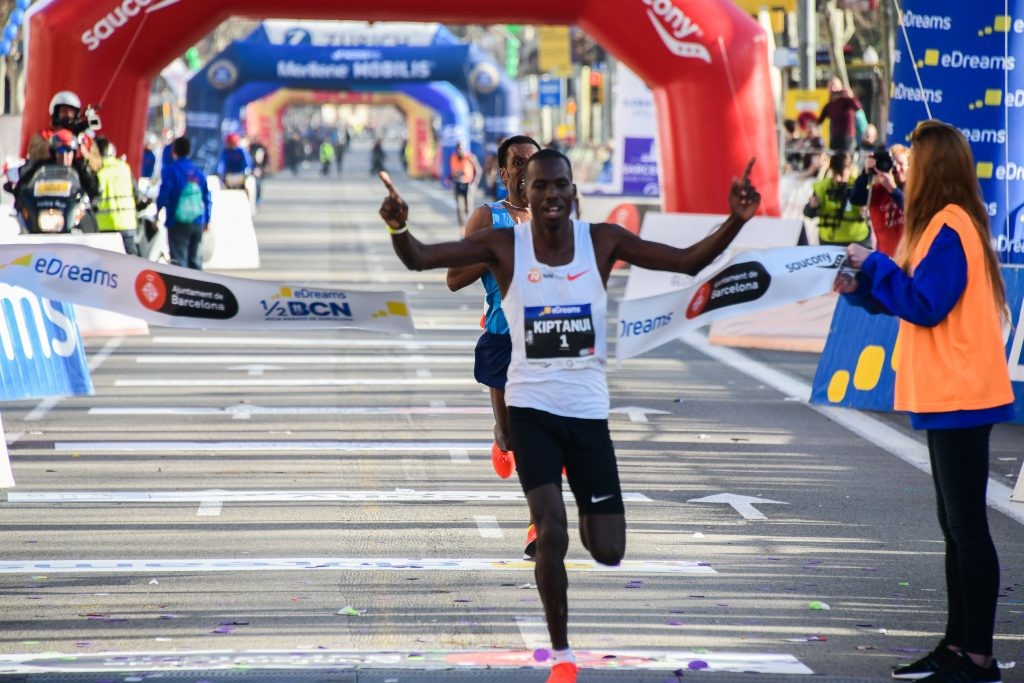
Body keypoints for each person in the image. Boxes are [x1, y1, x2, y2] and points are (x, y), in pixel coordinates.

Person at [379, 150, 760, 683]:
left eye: (560, 185)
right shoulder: (504, 244)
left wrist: (736, 220)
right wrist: (399, 228)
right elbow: (422, 258)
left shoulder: (601, 241)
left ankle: (586, 513)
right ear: (526, 193)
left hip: (586, 414)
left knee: (607, 549)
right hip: (530, 411)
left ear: (573, 192)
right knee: (550, 532)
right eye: (541, 186)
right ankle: (561, 653)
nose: (551, 194)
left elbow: (686, 261)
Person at [835, 120, 1011, 683]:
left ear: (934, 166)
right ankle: (958, 647)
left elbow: (926, 304)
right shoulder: (939, 225)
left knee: (966, 528)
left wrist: (874, 266)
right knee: (955, 526)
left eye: (911, 159)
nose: (902, 167)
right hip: (948, 394)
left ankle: (978, 658)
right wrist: (862, 284)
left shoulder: (951, 226)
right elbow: (907, 296)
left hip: (962, 394)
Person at [445, 134, 541, 557]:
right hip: (503, 341)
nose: (526, 170)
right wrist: (495, 254)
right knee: (512, 436)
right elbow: (453, 278)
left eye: (533, 163)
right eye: (517, 163)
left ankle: (539, 525)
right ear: (503, 174)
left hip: (545, 342)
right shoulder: (487, 217)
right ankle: (501, 440)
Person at [158, 136, 212, 270]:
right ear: (189, 151)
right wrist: (207, 220)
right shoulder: (198, 172)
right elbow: (207, 197)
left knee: (179, 262)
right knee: (195, 262)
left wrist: (157, 212)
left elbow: (164, 195)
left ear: (174, 151)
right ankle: (198, 284)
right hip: (197, 221)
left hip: (177, 221)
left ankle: (182, 284)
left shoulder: (170, 171)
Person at [850, 144, 908, 256]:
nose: (897, 169)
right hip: (885, 257)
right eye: (893, 164)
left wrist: (893, 190)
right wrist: (865, 173)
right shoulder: (878, 190)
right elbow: (856, 199)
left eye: (901, 164)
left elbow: (914, 211)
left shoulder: (915, 190)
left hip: (910, 258)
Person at [803, 151, 870, 247]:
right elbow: (808, 213)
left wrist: (867, 212)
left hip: (858, 240)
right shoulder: (822, 187)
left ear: (850, 169)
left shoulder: (860, 185)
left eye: (842, 174)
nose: (838, 178)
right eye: (835, 173)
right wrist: (812, 206)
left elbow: (873, 213)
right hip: (829, 241)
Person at [26, 90, 103, 173]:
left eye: (71, 111)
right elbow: (34, 153)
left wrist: (86, 155)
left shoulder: (84, 139)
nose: (68, 115)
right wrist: (54, 145)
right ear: (56, 113)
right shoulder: (44, 135)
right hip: (49, 175)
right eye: (64, 111)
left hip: (76, 178)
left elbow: (98, 164)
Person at [94, 136, 145, 256]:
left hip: (105, 227)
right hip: (127, 225)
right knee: (130, 263)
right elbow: (136, 194)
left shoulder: (98, 171)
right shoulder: (124, 167)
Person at [818, 76, 863, 154]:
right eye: (831, 86)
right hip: (834, 137)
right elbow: (819, 121)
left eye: (835, 86)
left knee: (845, 157)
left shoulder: (847, 101)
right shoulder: (829, 105)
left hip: (847, 137)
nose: (833, 89)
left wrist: (850, 96)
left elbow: (858, 107)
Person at [449, 142, 483, 226]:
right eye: (457, 148)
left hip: (468, 185)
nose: (459, 150)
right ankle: (462, 227)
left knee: (468, 208)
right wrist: (451, 178)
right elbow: (452, 172)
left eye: (461, 148)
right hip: (457, 184)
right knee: (460, 207)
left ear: (464, 149)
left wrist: (474, 183)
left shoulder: (470, 157)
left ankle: (470, 225)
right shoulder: (453, 158)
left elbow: (479, 170)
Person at [249, 136, 269, 205]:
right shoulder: (250, 147)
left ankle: (258, 197)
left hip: (259, 168)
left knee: (258, 184)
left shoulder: (261, 148)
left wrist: (263, 167)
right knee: (253, 184)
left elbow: (265, 158)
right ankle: (254, 198)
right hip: (252, 168)